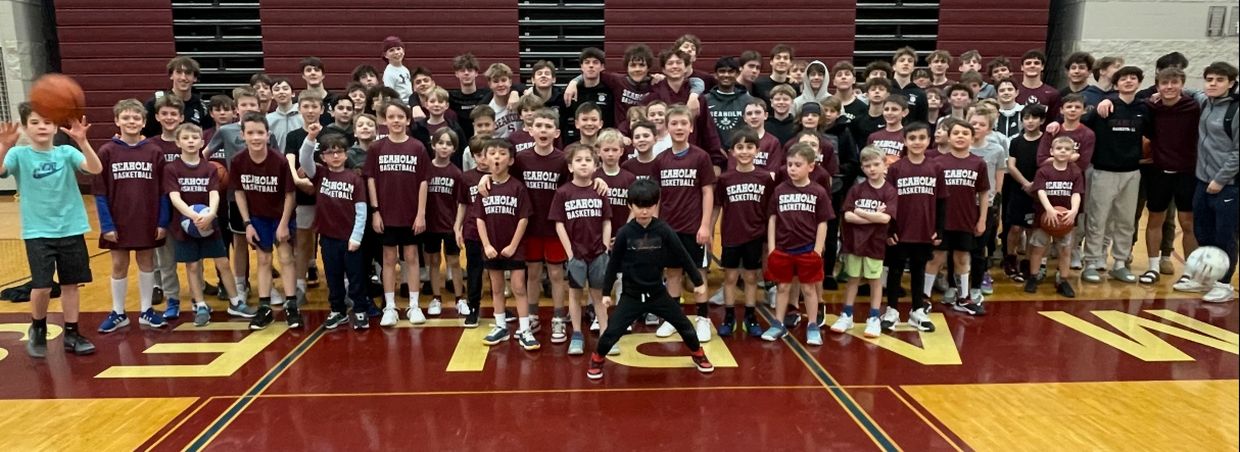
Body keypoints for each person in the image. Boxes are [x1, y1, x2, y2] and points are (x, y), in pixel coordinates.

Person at [0, 104, 102, 357]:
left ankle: (72, 333)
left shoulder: (66, 152)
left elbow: (96, 169)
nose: (42, 127)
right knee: (42, 286)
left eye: (47, 122)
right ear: (25, 128)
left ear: (56, 127)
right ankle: (38, 328)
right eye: (35, 123)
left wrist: (83, 142)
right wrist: (4, 147)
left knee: (70, 285)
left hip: (71, 228)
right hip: (38, 232)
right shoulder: (19, 154)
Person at [587, 179, 713, 379]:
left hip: (658, 294)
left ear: (656, 205)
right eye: (639, 206)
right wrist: (606, 293)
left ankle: (698, 354)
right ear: (630, 206)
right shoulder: (624, 233)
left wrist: (698, 282)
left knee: (685, 327)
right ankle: (597, 359)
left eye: (649, 206)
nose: (644, 211)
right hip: (631, 296)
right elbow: (613, 263)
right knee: (611, 332)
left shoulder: (664, 230)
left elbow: (683, 255)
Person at [165, 123, 254, 327]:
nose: (190, 141)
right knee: (193, 265)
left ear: (202, 142)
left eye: (194, 138)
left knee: (223, 262)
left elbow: (214, 193)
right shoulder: (172, 169)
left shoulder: (210, 168)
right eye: (185, 138)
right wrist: (193, 216)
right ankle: (200, 305)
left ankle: (235, 302)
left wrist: (211, 214)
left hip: (209, 224)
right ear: (178, 142)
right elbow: (174, 197)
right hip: (186, 225)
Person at [94, 99, 171, 333]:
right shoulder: (106, 151)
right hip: (118, 220)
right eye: (126, 117)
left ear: (144, 122)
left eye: (136, 118)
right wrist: (106, 225)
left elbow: (164, 191)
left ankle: (146, 310)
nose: (131, 122)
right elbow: (99, 192)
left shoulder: (154, 151)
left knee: (147, 262)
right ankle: (118, 312)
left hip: (147, 218)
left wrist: (162, 221)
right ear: (116, 121)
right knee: (119, 264)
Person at [653, 105, 717, 342]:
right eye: (674, 123)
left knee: (699, 274)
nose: (679, 127)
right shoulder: (660, 159)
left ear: (691, 127)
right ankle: (674, 319)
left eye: (683, 123)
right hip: (669, 229)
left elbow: (707, 192)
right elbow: (657, 196)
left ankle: (703, 319)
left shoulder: (701, 157)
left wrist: (705, 225)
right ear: (667, 127)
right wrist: (656, 227)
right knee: (672, 274)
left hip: (694, 228)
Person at [297, 126, 371, 329]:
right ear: (323, 157)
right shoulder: (320, 174)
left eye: (339, 152)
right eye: (330, 153)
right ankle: (338, 310)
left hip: (350, 239)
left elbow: (361, 211)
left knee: (356, 277)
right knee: (333, 277)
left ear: (346, 154)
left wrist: (356, 237)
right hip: (328, 238)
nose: (335, 156)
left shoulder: (355, 178)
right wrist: (311, 136)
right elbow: (304, 159)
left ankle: (360, 310)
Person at [232, 112, 300, 330]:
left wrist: (283, 224)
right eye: (250, 133)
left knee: (286, 257)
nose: (255, 137)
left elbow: (290, 195)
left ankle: (291, 305)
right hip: (258, 217)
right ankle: (265, 307)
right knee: (263, 260)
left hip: (281, 216)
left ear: (268, 135)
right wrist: (247, 223)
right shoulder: (238, 161)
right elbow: (239, 193)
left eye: (260, 133)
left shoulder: (279, 161)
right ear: (242, 135)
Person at [1177, 61, 1239, 302]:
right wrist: (1157, 93)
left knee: (1224, 235)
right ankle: (1203, 278)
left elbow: (1238, 152)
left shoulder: (1235, 110)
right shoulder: (1204, 101)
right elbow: (1189, 91)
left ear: (1231, 83)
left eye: (1219, 80)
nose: (1213, 84)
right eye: (1209, 79)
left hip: (1228, 185)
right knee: (1202, 232)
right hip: (1202, 181)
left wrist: (1220, 179)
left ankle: (1224, 284)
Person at [365, 101, 431, 326]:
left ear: (408, 120)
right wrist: (375, 211)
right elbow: (371, 180)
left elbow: (423, 182)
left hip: (410, 213)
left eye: (400, 116)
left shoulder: (417, 147)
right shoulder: (376, 148)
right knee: (388, 258)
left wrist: (421, 213)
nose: (396, 120)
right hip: (386, 213)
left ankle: (414, 305)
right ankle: (390, 306)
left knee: (411, 257)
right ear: (384, 120)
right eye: (391, 116)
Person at [760, 142, 832, 342]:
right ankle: (778, 324)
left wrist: (817, 249)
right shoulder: (779, 190)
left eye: (798, 165)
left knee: (808, 289)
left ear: (811, 166)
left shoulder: (818, 192)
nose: (792, 169)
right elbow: (772, 218)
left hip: (807, 249)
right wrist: (772, 247)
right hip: (783, 249)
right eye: (790, 164)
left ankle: (812, 325)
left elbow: (823, 222)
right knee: (783, 287)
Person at [473, 139, 538, 350]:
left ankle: (525, 329)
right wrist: (486, 245)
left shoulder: (518, 187)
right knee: (497, 287)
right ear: (485, 159)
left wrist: (513, 245)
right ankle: (500, 325)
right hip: (492, 246)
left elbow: (523, 218)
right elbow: (479, 219)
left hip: (514, 247)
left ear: (510, 160)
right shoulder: (484, 188)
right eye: (492, 153)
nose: (497, 157)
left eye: (502, 153)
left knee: (518, 287)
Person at [1139, 67, 1200, 285]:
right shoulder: (1151, 107)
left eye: (1174, 82)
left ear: (1182, 84)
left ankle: (1190, 272)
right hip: (1158, 172)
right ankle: (1152, 267)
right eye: (1165, 83)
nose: (1169, 87)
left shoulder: (1194, 107)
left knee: (1188, 223)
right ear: (1158, 86)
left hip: (1187, 172)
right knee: (1155, 219)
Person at [550, 143, 613, 355]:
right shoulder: (563, 193)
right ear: (570, 167)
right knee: (575, 294)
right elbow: (559, 224)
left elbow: (606, 221)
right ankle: (577, 334)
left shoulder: (600, 191)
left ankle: (606, 333)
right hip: (576, 254)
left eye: (588, 160)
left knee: (598, 295)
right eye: (578, 160)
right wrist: (569, 252)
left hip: (598, 253)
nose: (583, 164)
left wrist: (605, 248)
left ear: (595, 166)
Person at [924, 118, 988, 316]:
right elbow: (929, 194)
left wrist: (982, 219)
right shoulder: (937, 162)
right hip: (941, 221)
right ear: (949, 137)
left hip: (966, 219)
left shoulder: (978, 163)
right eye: (956, 133)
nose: (960, 136)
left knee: (962, 257)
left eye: (965, 133)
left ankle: (963, 298)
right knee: (936, 258)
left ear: (972, 138)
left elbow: (983, 193)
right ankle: (923, 298)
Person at [883, 123, 943, 332]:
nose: (917, 142)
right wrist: (890, 229)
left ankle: (917, 309)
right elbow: (888, 201)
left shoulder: (936, 168)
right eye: (912, 138)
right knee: (895, 270)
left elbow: (942, 201)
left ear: (929, 141)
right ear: (905, 141)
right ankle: (891, 309)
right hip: (900, 230)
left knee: (919, 269)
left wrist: (939, 229)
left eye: (921, 138)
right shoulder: (895, 169)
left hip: (924, 229)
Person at [713, 130, 773, 337]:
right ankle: (729, 317)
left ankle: (750, 316)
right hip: (731, 235)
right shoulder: (725, 179)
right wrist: (710, 230)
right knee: (730, 277)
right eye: (739, 147)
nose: (745, 151)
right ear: (732, 152)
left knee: (751, 277)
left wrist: (769, 240)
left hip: (755, 235)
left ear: (757, 150)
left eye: (749, 147)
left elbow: (770, 211)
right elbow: (717, 206)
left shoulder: (765, 178)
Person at [832, 146, 896, 338]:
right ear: (862, 168)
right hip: (854, 243)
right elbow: (848, 216)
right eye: (867, 166)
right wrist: (872, 216)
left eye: (876, 164)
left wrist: (861, 212)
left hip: (875, 244)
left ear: (885, 165)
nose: (872, 169)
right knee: (853, 279)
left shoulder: (889, 191)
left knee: (875, 281)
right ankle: (847, 315)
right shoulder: (857, 190)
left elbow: (885, 219)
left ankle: (874, 317)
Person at [1023, 136, 1083, 297]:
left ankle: (1063, 280)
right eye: (1059, 148)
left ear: (1072, 153)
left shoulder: (1075, 171)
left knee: (1065, 250)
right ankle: (1033, 276)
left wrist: (1074, 211)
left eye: (1067, 149)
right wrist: (1049, 209)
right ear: (1051, 151)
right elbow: (1041, 191)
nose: (1063, 151)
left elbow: (1076, 193)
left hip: (1065, 218)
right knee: (1038, 248)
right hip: (1044, 217)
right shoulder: (1043, 171)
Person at [422, 128, 469, 317]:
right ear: (433, 145)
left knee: (454, 261)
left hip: (450, 225)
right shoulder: (425, 170)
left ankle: (459, 299)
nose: (444, 146)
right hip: (430, 224)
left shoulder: (457, 173)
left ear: (454, 149)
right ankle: (436, 298)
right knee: (434, 261)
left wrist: (458, 226)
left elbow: (460, 203)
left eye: (448, 144)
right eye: (440, 142)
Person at [1002, 104, 1047, 282]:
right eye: (1026, 118)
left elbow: (1048, 165)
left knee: (1031, 229)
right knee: (1015, 227)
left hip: (1039, 191)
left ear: (1042, 120)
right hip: (1018, 189)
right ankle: (1010, 258)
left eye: (1034, 118)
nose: (1030, 121)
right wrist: (1026, 183)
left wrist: (1035, 185)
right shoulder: (1016, 141)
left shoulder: (1046, 141)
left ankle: (1028, 262)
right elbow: (1011, 166)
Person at [143, 56, 212, 138]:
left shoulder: (202, 107)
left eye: (188, 73)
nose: (183, 78)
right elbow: (143, 133)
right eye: (179, 72)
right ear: (171, 75)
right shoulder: (155, 102)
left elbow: (207, 137)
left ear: (195, 78)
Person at [381, 36, 412, 102]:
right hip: (400, 104)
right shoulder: (389, 73)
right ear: (385, 55)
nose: (396, 52)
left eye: (398, 49)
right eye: (391, 50)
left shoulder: (405, 69)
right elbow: (389, 95)